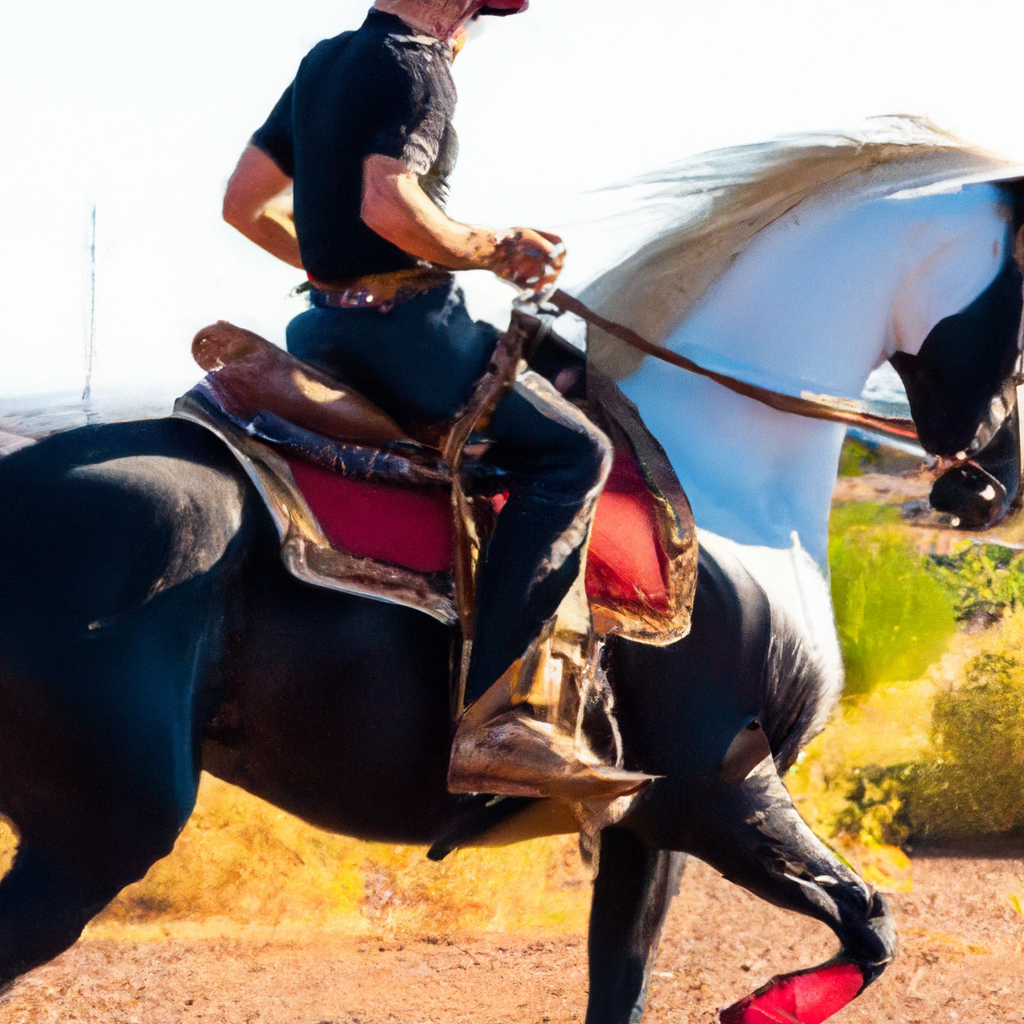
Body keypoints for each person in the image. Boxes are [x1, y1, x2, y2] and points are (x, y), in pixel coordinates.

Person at [222, 0, 651, 805]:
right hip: (409, 336)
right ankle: (500, 722)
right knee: (574, 454)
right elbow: (389, 202)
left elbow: (245, 205)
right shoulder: (419, 67)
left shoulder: (326, 59)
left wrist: (331, 268)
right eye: (480, 12)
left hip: (321, 333)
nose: (472, 30)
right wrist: (497, 248)